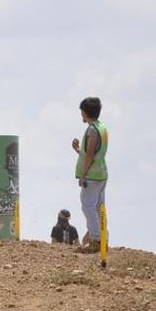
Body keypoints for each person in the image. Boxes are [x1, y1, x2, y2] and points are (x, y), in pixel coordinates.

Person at [71, 96, 109, 254]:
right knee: (98, 208)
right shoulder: (102, 127)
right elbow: (93, 153)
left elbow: (90, 154)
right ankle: (102, 238)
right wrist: (78, 150)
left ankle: (96, 240)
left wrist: (83, 175)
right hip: (101, 173)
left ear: (85, 112)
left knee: (87, 207)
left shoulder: (92, 129)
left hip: (92, 176)